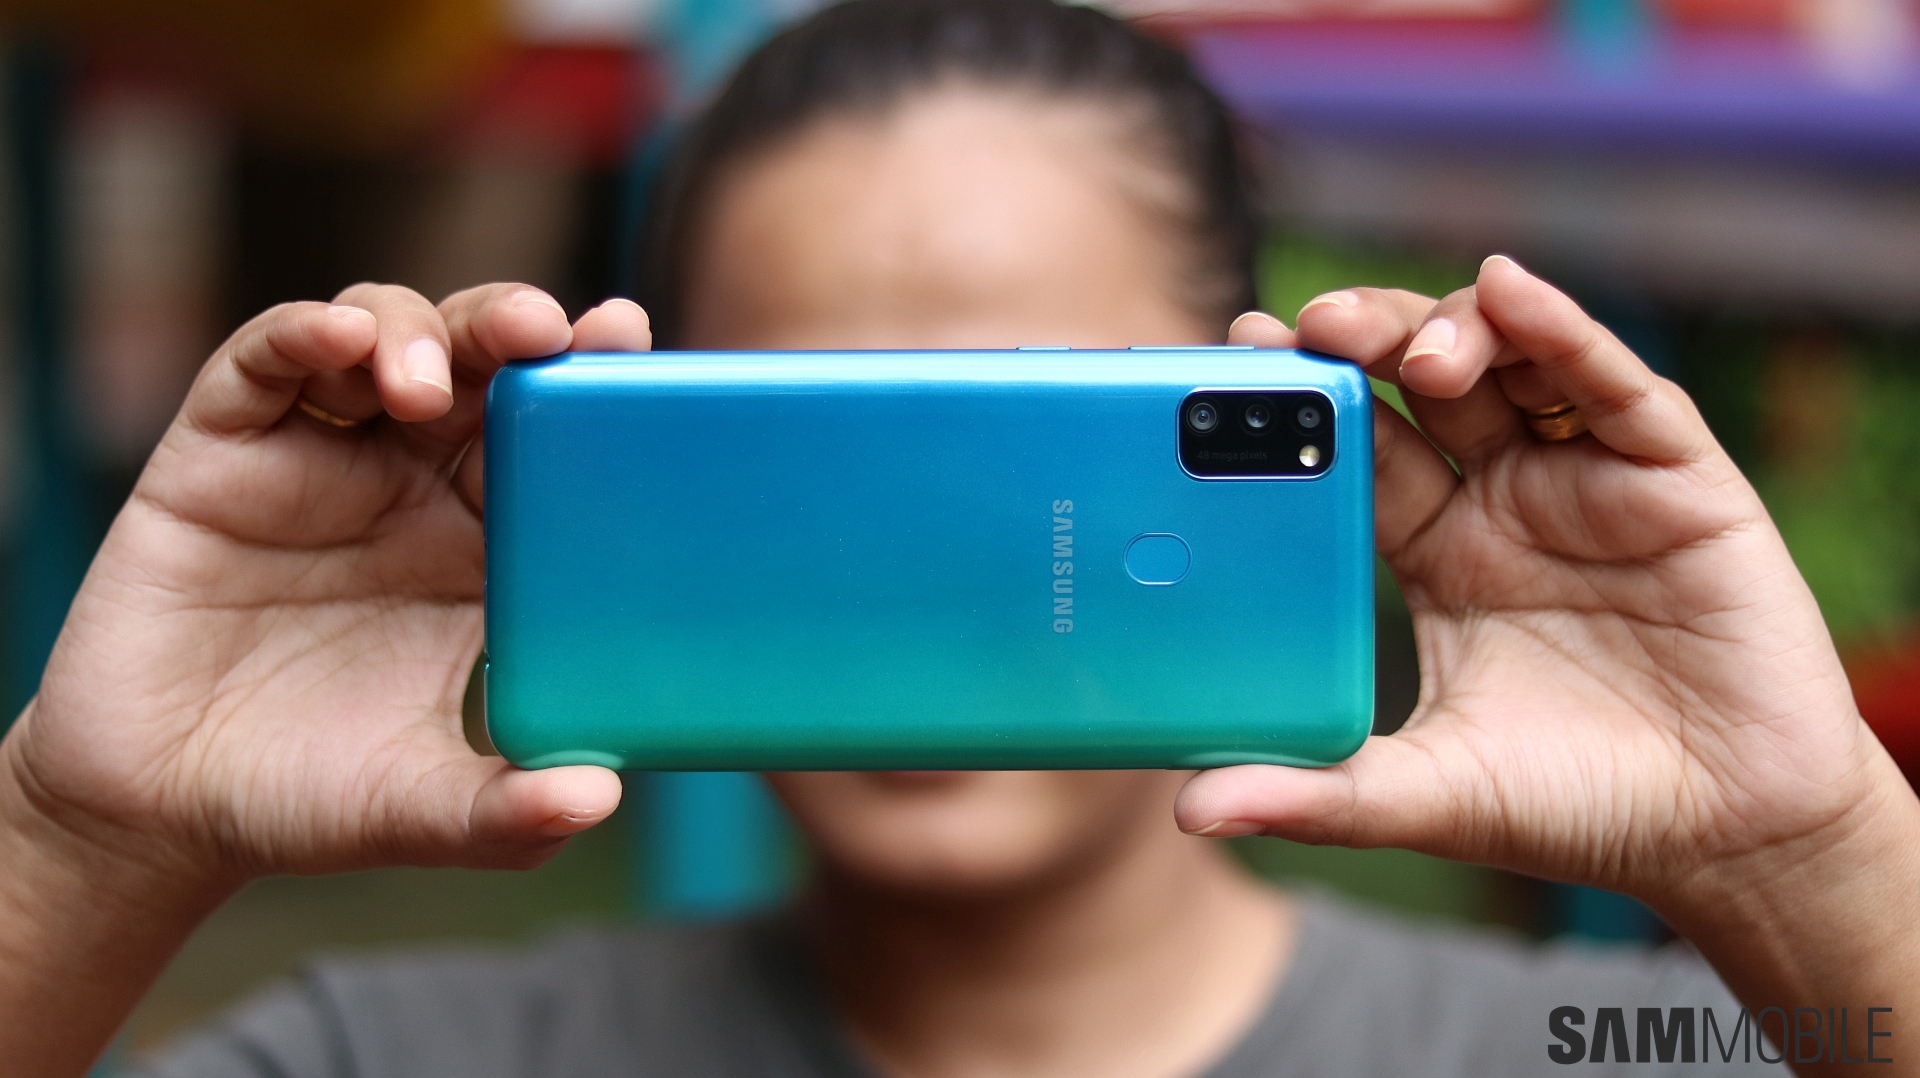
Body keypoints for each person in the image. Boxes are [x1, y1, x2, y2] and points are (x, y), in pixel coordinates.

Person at [1, 1, 1915, 1075]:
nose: (938, 565)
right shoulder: (383, 1061)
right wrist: (78, 843)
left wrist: (1810, 854)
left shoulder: (1622, 1047)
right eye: (834, 445)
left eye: (1012, 426)